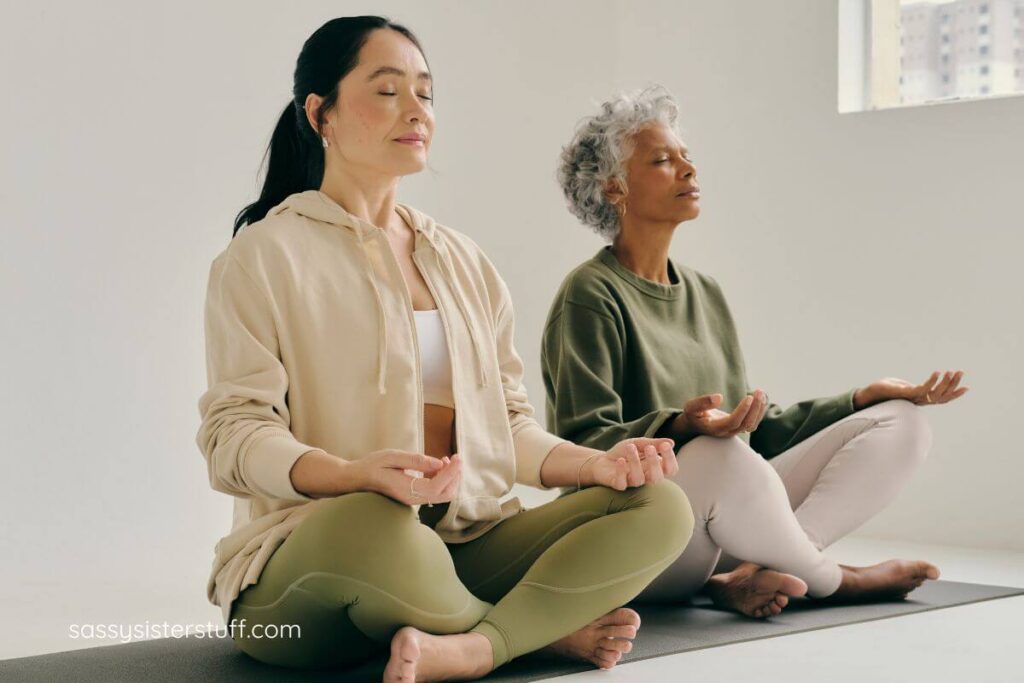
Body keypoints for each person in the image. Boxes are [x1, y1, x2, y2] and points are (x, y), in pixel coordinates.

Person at [195, 18, 695, 681]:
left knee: (661, 505)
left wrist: (597, 465)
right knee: (381, 526)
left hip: (463, 543)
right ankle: (533, 631)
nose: (416, 110)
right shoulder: (260, 257)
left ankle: (473, 644)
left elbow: (509, 427)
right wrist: (354, 475)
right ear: (322, 113)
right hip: (314, 566)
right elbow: (235, 436)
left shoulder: (463, 261)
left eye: (425, 93)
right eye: (387, 90)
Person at [543, 84, 967, 619]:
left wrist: (862, 397)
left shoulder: (706, 293)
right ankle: (833, 580)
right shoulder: (589, 293)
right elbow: (582, 444)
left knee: (902, 422)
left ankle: (763, 571)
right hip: (640, 534)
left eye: (686, 158)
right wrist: (681, 427)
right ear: (614, 190)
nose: (689, 171)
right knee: (720, 455)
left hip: (726, 518)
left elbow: (754, 430)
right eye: (662, 161)